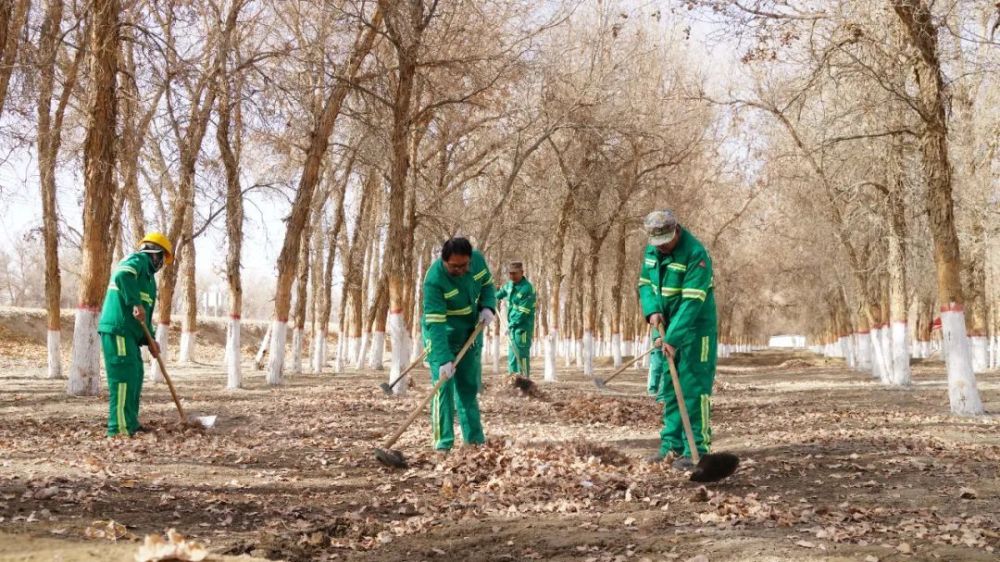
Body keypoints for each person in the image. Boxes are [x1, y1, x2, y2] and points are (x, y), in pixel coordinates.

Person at [636, 210, 717, 470]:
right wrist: (652, 311)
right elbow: (645, 285)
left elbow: (692, 302)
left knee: (693, 389)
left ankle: (698, 449)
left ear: (676, 231)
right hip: (668, 326)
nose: (662, 247)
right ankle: (671, 446)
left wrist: (672, 338)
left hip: (695, 330)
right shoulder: (653, 251)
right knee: (670, 389)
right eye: (657, 243)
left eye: (666, 242)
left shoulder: (695, 254)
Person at [421, 237, 497, 452]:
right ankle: (443, 444)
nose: (461, 270)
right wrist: (444, 359)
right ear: (444, 261)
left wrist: (488, 307)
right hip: (441, 336)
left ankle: (474, 442)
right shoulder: (434, 280)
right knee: (443, 389)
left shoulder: (478, 262)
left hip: (470, 333)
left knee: (468, 388)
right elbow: (435, 323)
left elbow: (487, 286)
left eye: (465, 265)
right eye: (455, 266)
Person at [97, 233, 173, 437]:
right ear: (155, 253)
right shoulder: (137, 260)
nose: (162, 263)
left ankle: (130, 423)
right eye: (163, 258)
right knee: (124, 377)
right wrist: (135, 302)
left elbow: (144, 317)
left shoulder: (148, 280)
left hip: (131, 335)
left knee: (136, 375)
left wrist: (150, 340)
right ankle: (119, 428)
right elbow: (122, 275)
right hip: (118, 330)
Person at [495, 261, 536, 378]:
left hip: (523, 328)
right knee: (512, 354)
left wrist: (511, 325)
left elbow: (523, 312)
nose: (512, 276)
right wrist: (492, 297)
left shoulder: (527, 289)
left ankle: (524, 380)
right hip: (512, 327)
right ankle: (512, 381)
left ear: (522, 273)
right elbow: (500, 293)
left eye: (514, 273)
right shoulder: (509, 285)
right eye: (510, 273)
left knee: (521, 354)